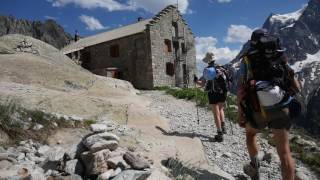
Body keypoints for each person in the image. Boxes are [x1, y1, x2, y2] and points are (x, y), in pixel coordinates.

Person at [237, 29, 301, 180]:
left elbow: (241, 91)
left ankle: (255, 169)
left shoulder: (247, 60)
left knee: (251, 134)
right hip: (281, 107)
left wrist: (240, 114)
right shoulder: (279, 56)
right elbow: (296, 87)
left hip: (258, 109)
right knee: (285, 153)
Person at [194, 52, 231, 142]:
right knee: (221, 109)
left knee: (215, 113)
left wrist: (195, 80)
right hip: (223, 91)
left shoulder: (207, 69)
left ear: (207, 61)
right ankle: (223, 126)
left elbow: (202, 84)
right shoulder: (222, 68)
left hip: (213, 92)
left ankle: (219, 134)